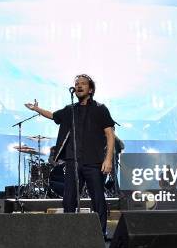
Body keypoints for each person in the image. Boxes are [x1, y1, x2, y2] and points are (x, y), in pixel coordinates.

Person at [25, 74, 115, 236]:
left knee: (98, 199)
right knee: (69, 200)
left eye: (83, 84)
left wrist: (108, 159)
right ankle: (68, 234)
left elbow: (109, 134)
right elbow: (53, 115)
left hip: (93, 161)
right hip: (73, 161)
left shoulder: (100, 109)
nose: (79, 86)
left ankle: (100, 233)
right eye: (77, 84)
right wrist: (37, 109)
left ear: (91, 89)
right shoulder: (70, 110)